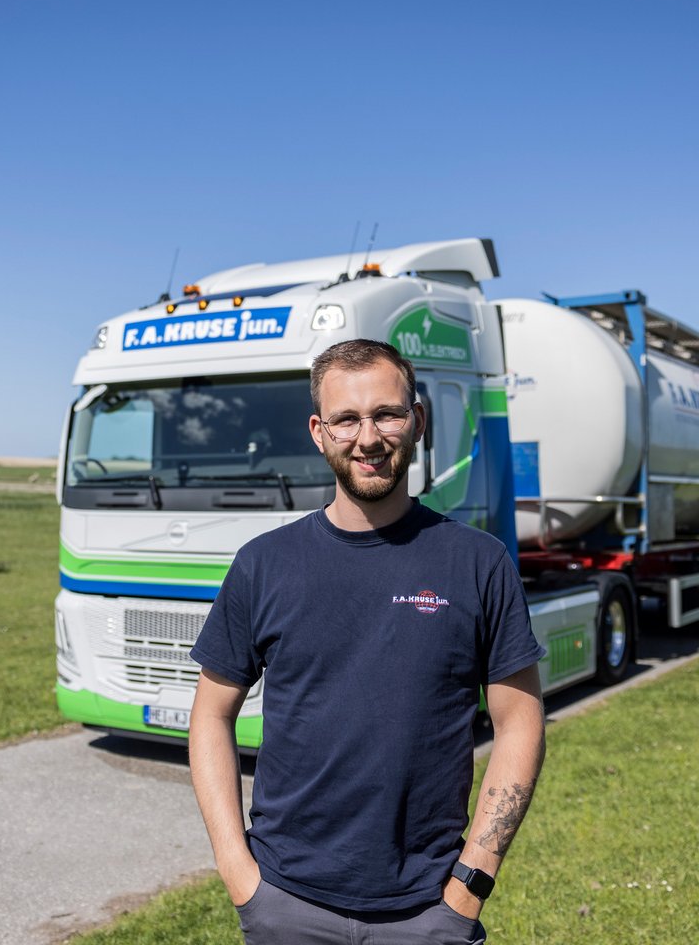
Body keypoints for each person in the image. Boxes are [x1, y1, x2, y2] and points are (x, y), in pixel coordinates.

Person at [189, 339, 546, 945]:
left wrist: (471, 882)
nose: (369, 437)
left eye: (387, 414)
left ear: (418, 421)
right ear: (318, 431)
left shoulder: (479, 563)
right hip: (284, 903)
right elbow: (210, 715)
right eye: (347, 419)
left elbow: (520, 723)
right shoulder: (263, 564)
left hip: (429, 911)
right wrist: (236, 869)